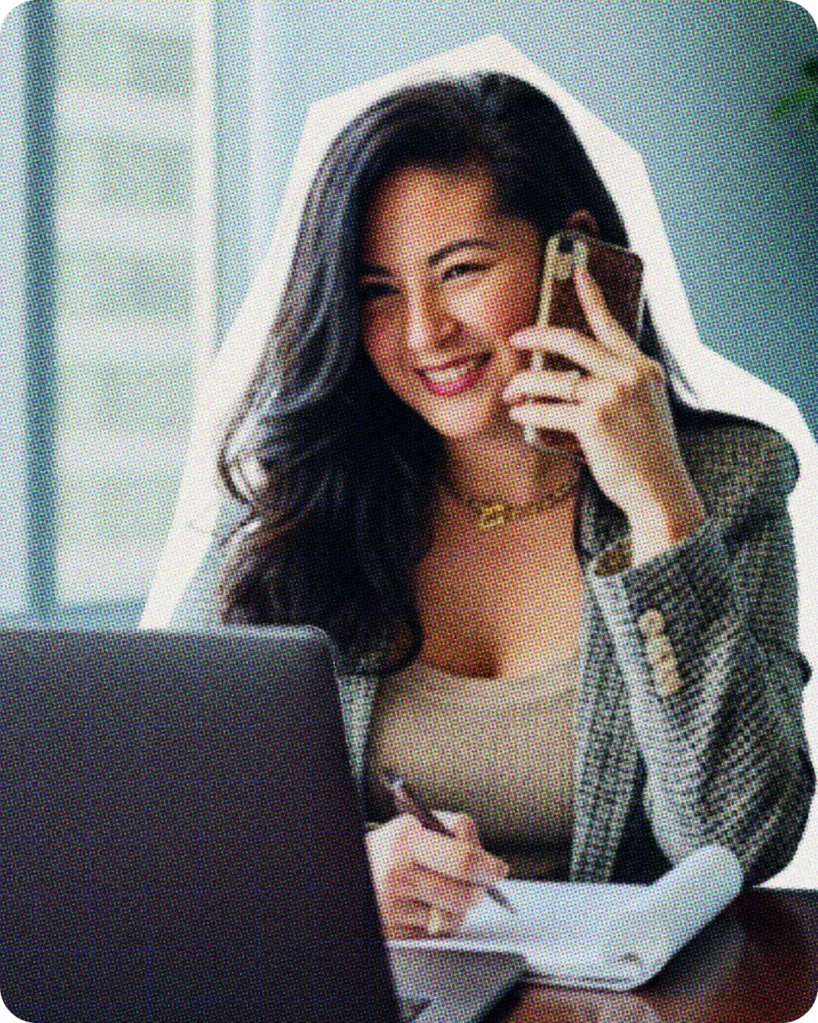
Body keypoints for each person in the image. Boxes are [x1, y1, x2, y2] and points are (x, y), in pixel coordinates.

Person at [152, 63, 814, 940]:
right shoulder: (297, 500)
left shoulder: (725, 485)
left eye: (459, 270)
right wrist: (337, 874)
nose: (424, 333)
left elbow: (737, 838)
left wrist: (658, 503)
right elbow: (159, 817)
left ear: (570, 254)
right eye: (377, 291)